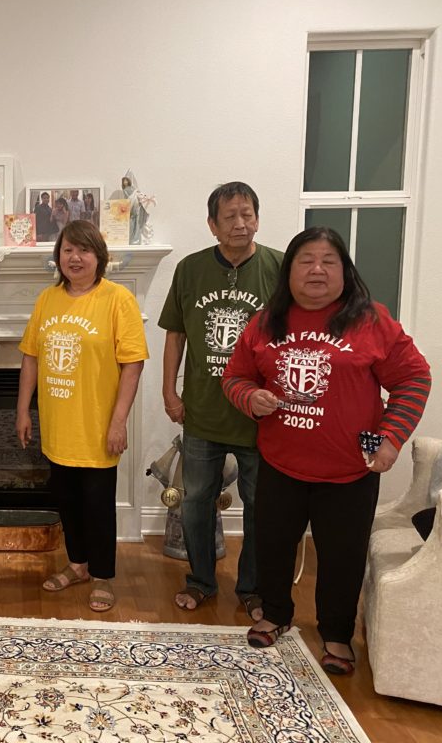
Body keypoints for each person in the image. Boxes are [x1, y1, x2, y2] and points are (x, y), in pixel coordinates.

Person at [222, 226, 431, 675]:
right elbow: (235, 377)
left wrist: (391, 439)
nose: (316, 269)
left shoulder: (371, 321)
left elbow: (413, 378)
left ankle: (336, 631)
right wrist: (250, 399)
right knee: (272, 545)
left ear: (344, 271)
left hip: (350, 470)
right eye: (305, 260)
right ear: (289, 271)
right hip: (280, 462)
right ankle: (275, 613)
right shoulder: (264, 322)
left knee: (343, 554)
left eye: (328, 261)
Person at [157, 181, 282, 621]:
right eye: (229, 216)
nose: (240, 223)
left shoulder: (279, 268)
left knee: (259, 506)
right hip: (203, 413)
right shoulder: (190, 270)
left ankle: (251, 588)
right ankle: (201, 580)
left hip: (259, 418)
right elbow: (176, 334)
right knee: (194, 503)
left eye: (247, 214)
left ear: (258, 219)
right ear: (212, 224)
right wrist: (170, 390)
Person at [15, 220, 148, 612]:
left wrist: (119, 421)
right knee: (67, 501)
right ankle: (77, 565)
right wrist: (22, 411)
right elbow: (30, 357)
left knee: (97, 504)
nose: (75, 257)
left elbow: (133, 364)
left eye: (84, 250)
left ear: (99, 257)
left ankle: (103, 575)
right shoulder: (48, 299)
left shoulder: (117, 299)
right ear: (58, 256)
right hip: (58, 425)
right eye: (68, 249)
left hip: (97, 426)